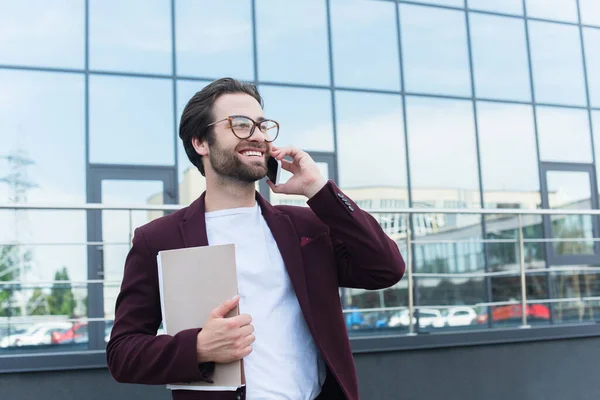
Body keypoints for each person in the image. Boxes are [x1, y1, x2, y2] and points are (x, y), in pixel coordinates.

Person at [106, 77, 405, 400]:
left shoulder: (306, 226)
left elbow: (385, 269)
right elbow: (123, 354)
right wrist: (198, 347)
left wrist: (318, 190)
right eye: (241, 124)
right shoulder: (159, 239)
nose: (259, 136)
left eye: (263, 126)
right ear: (200, 143)